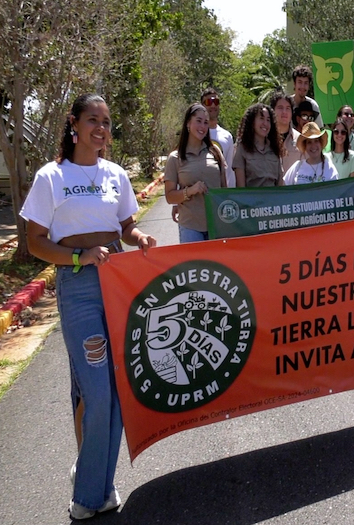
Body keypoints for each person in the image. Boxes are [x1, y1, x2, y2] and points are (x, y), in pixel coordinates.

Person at [20, 94, 156, 520]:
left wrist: (140, 239)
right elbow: (35, 241)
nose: (101, 128)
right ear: (73, 124)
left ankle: (96, 482)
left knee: (115, 390)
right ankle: (89, 490)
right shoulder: (50, 176)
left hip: (118, 286)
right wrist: (78, 258)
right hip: (78, 289)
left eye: (107, 121)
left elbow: (127, 225)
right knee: (97, 391)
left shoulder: (115, 174)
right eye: (93, 119)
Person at [164, 103, 227, 242]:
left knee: (216, 264)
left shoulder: (215, 152)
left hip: (216, 226)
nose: (203, 127)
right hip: (190, 227)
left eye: (206, 122)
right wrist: (190, 191)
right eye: (198, 121)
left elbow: (224, 190)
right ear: (188, 123)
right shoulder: (175, 157)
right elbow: (170, 197)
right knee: (196, 265)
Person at [233, 103, 284, 188]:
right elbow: (241, 188)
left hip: (273, 199)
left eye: (268, 120)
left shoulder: (275, 148)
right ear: (252, 122)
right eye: (261, 118)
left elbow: (280, 182)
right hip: (252, 200)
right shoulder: (242, 148)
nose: (265, 123)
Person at [201, 88, 235, 187]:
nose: (213, 105)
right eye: (208, 102)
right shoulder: (196, 134)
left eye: (216, 102)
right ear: (202, 106)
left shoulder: (227, 136)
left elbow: (229, 170)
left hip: (219, 195)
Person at [271, 91, 301, 173]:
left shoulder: (300, 139)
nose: (284, 112)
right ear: (272, 111)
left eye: (288, 108)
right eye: (280, 108)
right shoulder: (264, 139)